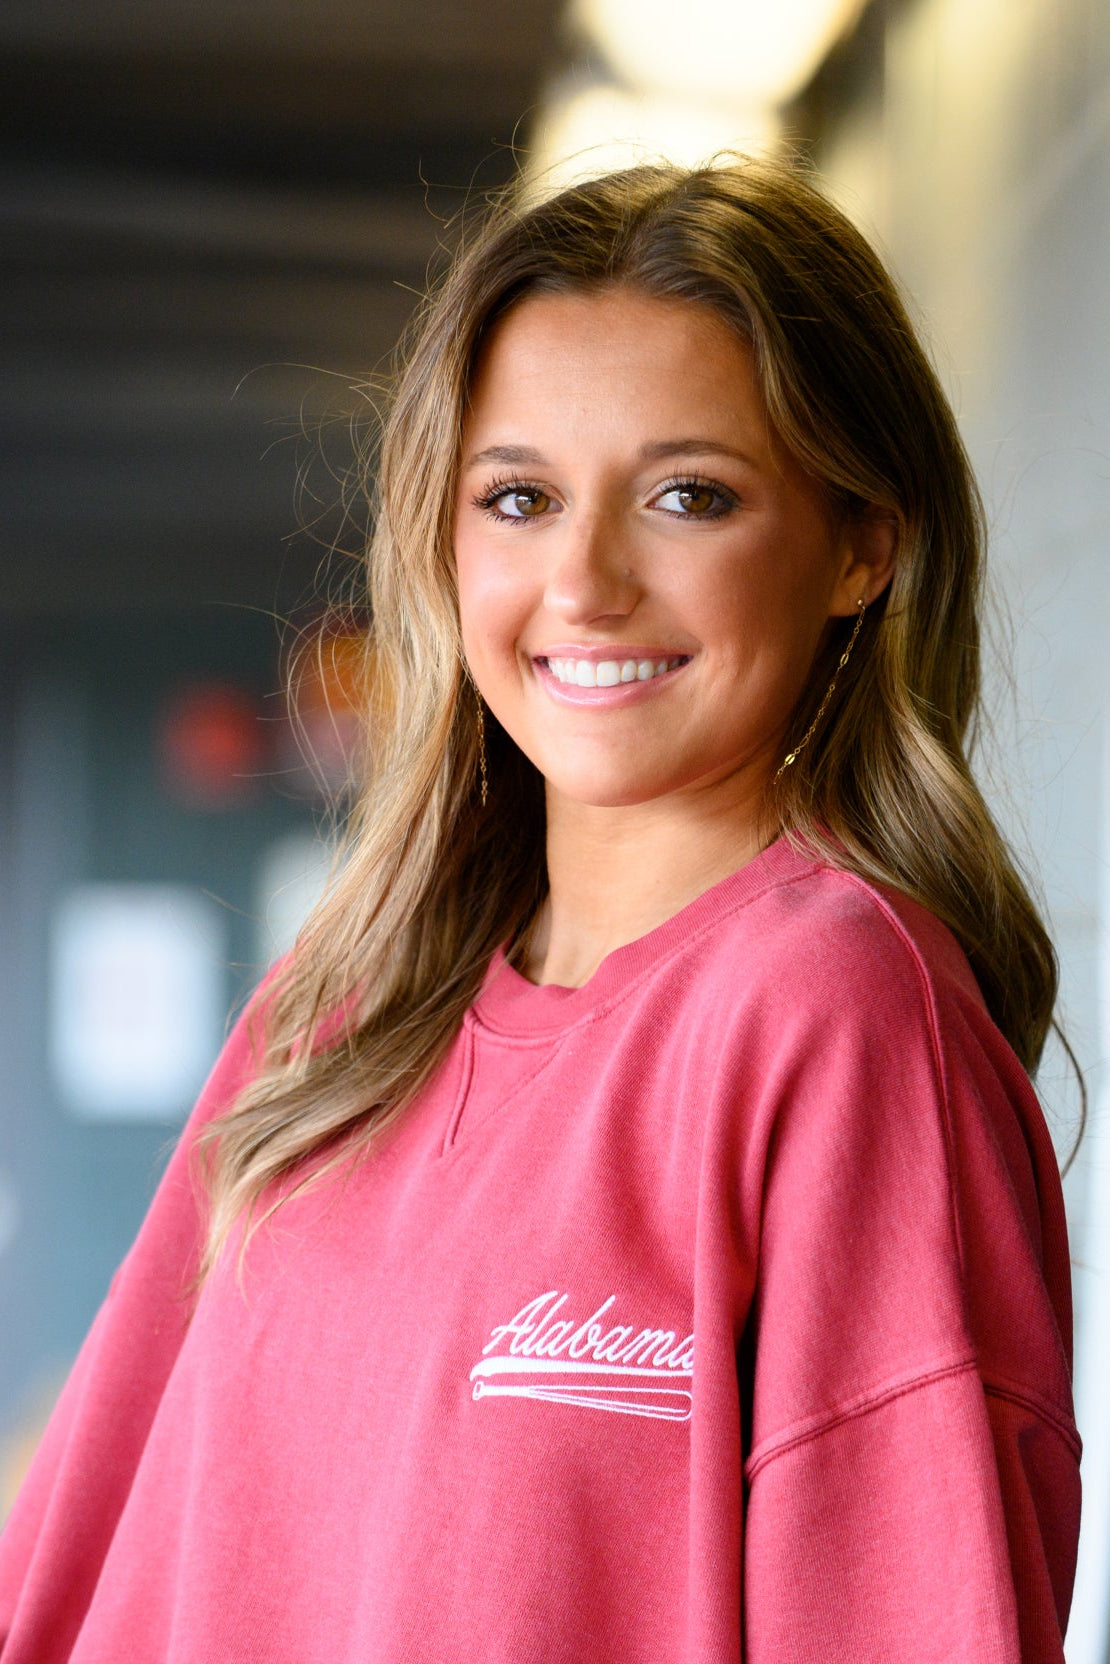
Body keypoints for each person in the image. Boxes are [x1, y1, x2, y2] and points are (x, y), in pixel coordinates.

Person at [0, 157, 1081, 1662]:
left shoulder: (833, 1016)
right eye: (519, 499)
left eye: (687, 496)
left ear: (860, 546)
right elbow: (72, 1562)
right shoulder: (341, 1007)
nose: (583, 580)